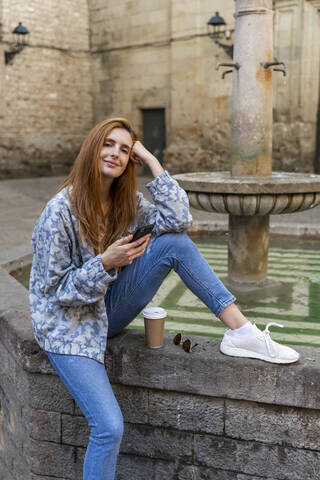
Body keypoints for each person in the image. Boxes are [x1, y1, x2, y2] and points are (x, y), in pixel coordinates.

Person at [29, 117, 299, 480]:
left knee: (173, 244)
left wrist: (154, 163)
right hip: (67, 325)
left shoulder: (127, 201)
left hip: (106, 308)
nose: (115, 154)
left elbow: (179, 221)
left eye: (125, 150)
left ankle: (241, 331)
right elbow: (54, 293)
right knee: (108, 427)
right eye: (108, 144)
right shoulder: (58, 212)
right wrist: (105, 263)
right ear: (92, 147)